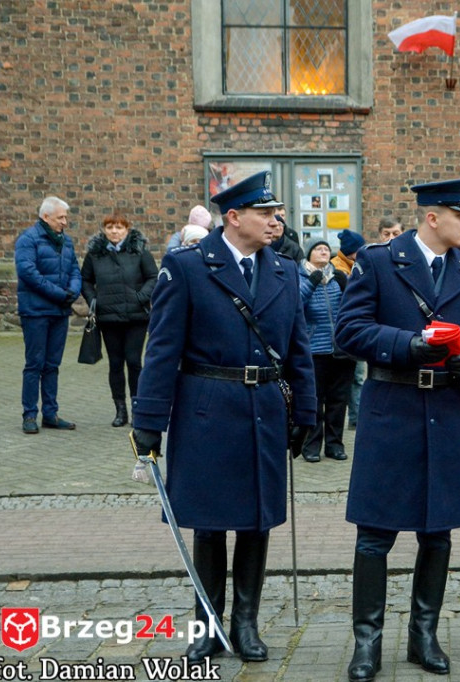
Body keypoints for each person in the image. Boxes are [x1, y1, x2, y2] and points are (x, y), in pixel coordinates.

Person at [131, 171, 317, 664]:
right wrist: (148, 421)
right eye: (265, 213)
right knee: (210, 525)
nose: (275, 220)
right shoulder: (187, 267)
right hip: (207, 409)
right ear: (234, 217)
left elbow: (298, 348)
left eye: (276, 213)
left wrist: (307, 410)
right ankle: (207, 625)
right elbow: (163, 349)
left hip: (263, 411)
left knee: (257, 522)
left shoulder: (282, 270)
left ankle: (246, 624)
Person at [334, 177, 460, 680]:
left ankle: (423, 637)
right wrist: (406, 344)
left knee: (437, 534)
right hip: (392, 410)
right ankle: (367, 643)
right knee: (374, 536)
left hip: (446, 411)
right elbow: (349, 329)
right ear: (433, 217)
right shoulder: (380, 261)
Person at [80, 212, 158, 427]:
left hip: (136, 317)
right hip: (108, 317)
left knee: (134, 362)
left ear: (127, 229)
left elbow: (153, 276)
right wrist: (94, 299)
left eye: (119, 227)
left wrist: (141, 297)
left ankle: (137, 408)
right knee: (115, 363)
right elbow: (85, 280)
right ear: (104, 230)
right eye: (110, 227)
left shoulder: (139, 251)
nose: (114, 231)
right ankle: (120, 410)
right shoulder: (95, 254)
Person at [15, 196, 82, 434]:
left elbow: (75, 268)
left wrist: (73, 291)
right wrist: (58, 293)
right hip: (35, 312)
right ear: (45, 217)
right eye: (61, 217)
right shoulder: (28, 240)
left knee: (52, 365)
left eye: (65, 217)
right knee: (35, 364)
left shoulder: (66, 242)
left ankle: (50, 414)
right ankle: (29, 414)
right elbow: (28, 273)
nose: (65, 222)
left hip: (59, 311)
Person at [298, 240, 352, 462]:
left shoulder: (337, 277)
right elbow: (296, 306)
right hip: (314, 350)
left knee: (338, 402)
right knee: (315, 401)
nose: (323, 251)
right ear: (309, 254)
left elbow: (353, 308)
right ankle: (311, 447)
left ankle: (334, 445)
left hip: (340, 350)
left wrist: (346, 287)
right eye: (318, 249)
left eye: (326, 249)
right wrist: (311, 283)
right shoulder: (300, 277)